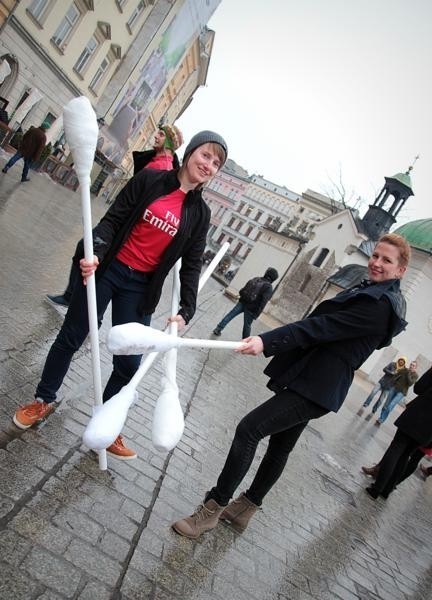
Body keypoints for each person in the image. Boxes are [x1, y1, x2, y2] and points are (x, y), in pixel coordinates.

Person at [172, 233, 410, 539]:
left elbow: (322, 327)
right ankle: (246, 509)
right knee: (280, 444)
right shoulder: (376, 294)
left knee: (249, 429)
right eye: (375, 256)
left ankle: (211, 511)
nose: (376, 263)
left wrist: (266, 340)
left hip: (318, 384)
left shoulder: (379, 306)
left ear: (400, 270)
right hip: (312, 377)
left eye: (386, 260)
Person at [12, 130, 228, 460]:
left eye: (216, 163)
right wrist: (95, 251)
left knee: (129, 364)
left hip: (141, 288)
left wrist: (187, 307)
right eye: (206, 155)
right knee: (72, 336)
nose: (209, 165)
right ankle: (43, 401)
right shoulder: (151, 180)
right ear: (191, 152)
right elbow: (111, 221)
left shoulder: (200, 215)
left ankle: (108, 426)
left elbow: (192, 264)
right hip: (109, 269)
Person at [47, 124, 184, 308]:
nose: (155, 136)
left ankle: (74, 299)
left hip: (126, 225)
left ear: (168, 141)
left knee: (88, 251)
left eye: (160, 134)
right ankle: (75, 298)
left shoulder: (164, 167)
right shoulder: (155, 160)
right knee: (87, 251)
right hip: (121, 219)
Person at [362, 366, 432, 499]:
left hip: (420, 413)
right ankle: (386, 490)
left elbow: (419, 388)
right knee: (406, 455)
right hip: (429, 428)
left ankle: (377, 488)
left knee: (396, 448)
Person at [213, 268, 279, 338]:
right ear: (273, 278)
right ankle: (245, 342)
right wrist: (256, 314)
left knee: (230, 315)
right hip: (251, 309)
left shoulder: (256, 279)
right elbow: (263, 302)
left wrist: (242, 296)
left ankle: (218, 329)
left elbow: (243, 290)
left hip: (242, 302)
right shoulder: (268, 287)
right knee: (247, 326)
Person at [376, 360, 418, 424]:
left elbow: (410, 383)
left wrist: (409, 373)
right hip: (394, 388)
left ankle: (382, 419)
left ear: (415, 367)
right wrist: (393, 383)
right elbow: (396, 374)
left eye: (413, 365)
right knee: (386, 404)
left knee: (390, 406)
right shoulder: (404, 370)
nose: (411, 366)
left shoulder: (415, 375)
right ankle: (381, 418)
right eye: (411, 364)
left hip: (401, 393)